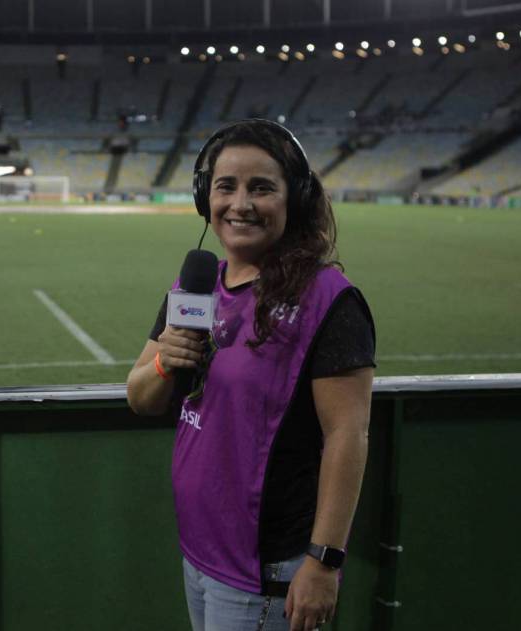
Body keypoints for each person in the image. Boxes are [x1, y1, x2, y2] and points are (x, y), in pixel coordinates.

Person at [126, 119, 375, 631]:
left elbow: (347, 435)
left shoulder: (327, 299)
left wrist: (324, 561)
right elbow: (140, 397)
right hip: (199, 550)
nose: (240, 204)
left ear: (295, 199)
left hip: (265, 568)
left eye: (261, 188)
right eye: (226, 186)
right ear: (205, 197)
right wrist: (164, 362)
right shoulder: (195, 287)